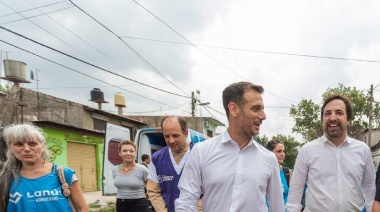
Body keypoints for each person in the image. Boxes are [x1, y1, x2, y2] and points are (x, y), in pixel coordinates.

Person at [175, 81, 284, 211]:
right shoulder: (201, 152)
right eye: (256, 108)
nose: (263, 116)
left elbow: (277, 207)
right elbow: (186, 203)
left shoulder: (268, 158)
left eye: (262, 109)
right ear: (234, 109)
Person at [286, 94, 376, 212]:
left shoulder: (363, 150)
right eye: (327, 113)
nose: (332, 118)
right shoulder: (307, 150)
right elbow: (295, 193)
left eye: (339, 113)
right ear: (322, 119)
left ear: (348, 119)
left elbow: (370, 189)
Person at [0, 124, 88, 212]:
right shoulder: (5, 177)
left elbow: (82, 209)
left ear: (43, 146)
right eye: (19, 144)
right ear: (10, 148)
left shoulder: (64, 174)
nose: (26, 149)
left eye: (32, 144)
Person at [147, 116, 198, 212]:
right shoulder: (157, 158)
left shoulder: (200, 155)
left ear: (185, 133)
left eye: (175, 136)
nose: (171, 141)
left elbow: (210, 189)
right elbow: (153, 191)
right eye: (167, 136)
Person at [112, 140, 150, 212]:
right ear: (120, 153)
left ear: (135, 153)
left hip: (139, 205)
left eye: (131, 151)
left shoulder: (142, 169)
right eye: (125, 151)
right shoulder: (115, 170)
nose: (128, 153)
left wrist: (148, 194)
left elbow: (152, 187)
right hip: (120, 204)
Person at [266, 139, 292, 205]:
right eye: (279, 151)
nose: (282, 154)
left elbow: (292, 196)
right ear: (270, 153)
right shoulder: (263, 172)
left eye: (283, 151)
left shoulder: (287, 172)